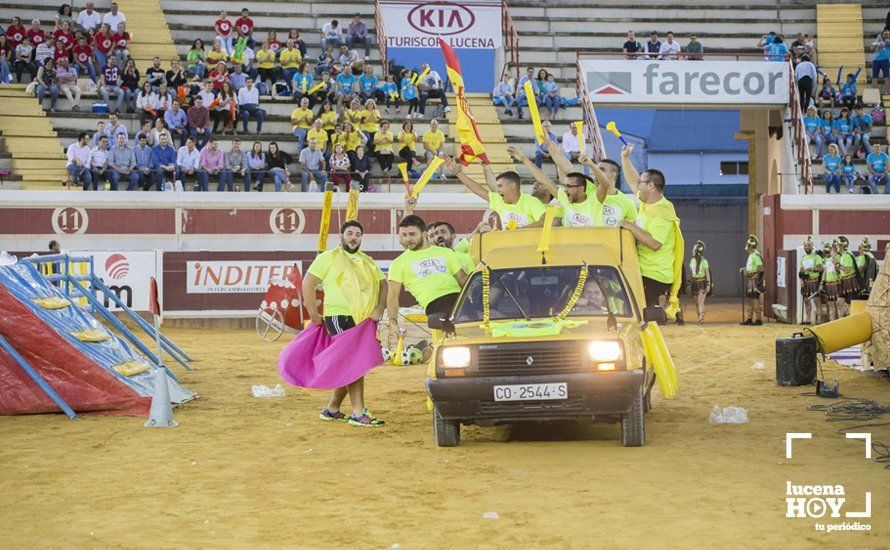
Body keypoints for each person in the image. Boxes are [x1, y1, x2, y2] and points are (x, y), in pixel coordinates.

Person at [303, 220, 387, 427]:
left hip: (362, 320)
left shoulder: (366, 260)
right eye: (349, 233)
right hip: (338, 316)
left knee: (350, 363)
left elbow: (383, 285)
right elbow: (308, 283)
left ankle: (332, 409)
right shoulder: (328, 258)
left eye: (357, 234)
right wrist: (313, 313)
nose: (353, 237)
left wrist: (379, 309)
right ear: (341, 236)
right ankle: (358, 413)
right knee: (354, 363)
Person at [619, 145, 684, 323]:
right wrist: (625, 158)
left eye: (642, 182)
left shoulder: (661, 212)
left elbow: (655, 244)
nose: (637, 185)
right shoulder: (648, 202)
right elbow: (633, 181)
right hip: (645, 271)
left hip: (654, 275)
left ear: (651, 185)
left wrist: (630, 226)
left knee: (637, 317)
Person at [387, 214, 468, 332]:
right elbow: (392, 296)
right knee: (464, 322)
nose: (408, 239)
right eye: (404, 235)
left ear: (424, 234)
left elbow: (462, 279)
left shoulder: (445, 252)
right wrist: (393, 322)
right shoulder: (398, 263)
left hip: (460, 298)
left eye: (412, 234)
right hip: (436, 304)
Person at [445, 155, 545, 229]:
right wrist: (457, 172)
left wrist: (520, 231)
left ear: (512, 186)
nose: (498, 189)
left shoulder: (531, 201)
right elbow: (477, 189)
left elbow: (544, 221)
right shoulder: (499, 200)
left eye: (500, 186)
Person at [739, 235, 764, 326]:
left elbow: (760, 268)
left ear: (749, 246)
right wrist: (744, 269)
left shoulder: (755, 256)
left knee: (755, 300)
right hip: (750, 281)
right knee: (749, 300)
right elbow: (751, 267)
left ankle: (758, 319)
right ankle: (749, 318)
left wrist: (750, 272)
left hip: (755, 281)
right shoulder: (751, 256)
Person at [798, 236, 823, 325]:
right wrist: (801, 279)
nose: (807, 248)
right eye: (805, 246)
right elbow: (801, 271)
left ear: (812, 247)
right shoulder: (803, 258)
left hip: (814, 281)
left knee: (816, 300)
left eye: (808, 246)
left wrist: (811, 269)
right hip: (806, 282)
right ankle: (808, 319)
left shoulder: (816, 257)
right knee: (806, 300)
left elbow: (821, 269)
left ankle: (819, 319)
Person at [688, 241, 710, 325]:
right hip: (694, 283)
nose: (692, 251)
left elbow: (707, 273)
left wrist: (708, 284)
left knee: (700, 301)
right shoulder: (692, 260)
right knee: (696, 302)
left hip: (702, 283)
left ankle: (701, 319)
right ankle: (700, 317)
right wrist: (688, 283)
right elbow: (691, 273)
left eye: (693, 250)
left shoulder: (704, 261)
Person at [835, 236, 860, 313]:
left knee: (852, 303)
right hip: (845, 281)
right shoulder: (843, 256)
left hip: (851, 282)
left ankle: (852, 316)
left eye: (837, 245)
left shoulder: (847, 255)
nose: (836, 247)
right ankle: (849, 314)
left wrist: (839, 266)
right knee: (839, 301)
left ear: (841, 246)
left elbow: (847, 270)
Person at [820, 241, 842, 322]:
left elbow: (840, 271)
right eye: (832, 250)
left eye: (834, 251)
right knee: (830, 303)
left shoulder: (840, 259)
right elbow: (825, 272)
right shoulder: (828, 260)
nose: (832, 252)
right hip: (829, 284)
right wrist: (822, 283)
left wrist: (835, 262)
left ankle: (840, 321)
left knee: (838, 303)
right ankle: (831, 321)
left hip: (836, 283)